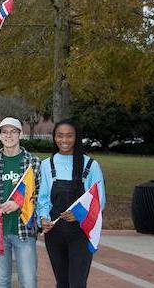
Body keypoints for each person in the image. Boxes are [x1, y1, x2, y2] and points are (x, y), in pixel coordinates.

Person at [37, 120, 106, 288]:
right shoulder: (47, 164)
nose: (64, 140)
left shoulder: (91, 165)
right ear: (54, 138)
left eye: (69, 136)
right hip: (55, 232)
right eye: (60, 136)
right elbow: (43, 197)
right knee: (62, 282)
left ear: (77, 138)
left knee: (77, 283)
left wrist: (79, 214)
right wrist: (43, 219)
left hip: (81, 232)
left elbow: (99, 200)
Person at [0, 117, 41, 288]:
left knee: (29, 281)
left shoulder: (33, 162)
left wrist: (20, 203)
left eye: (13, 131)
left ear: (20, 134)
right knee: (2, 281)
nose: (9, 135)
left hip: (23, 230)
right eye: (5, 132)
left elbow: (39, 194)